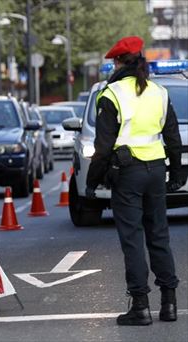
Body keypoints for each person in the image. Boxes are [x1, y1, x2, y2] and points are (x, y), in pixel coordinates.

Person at [86, 36, 183, 326]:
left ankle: (140, 307)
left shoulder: (111, 94)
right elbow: (173, 138)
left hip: (128, 174)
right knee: (159, 237)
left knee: (133, 239)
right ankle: (169, 304)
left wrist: (92, 183)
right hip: (156, 171)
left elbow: (103, 146)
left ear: (117, 62)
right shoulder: (159, 92)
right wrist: (177, 173)